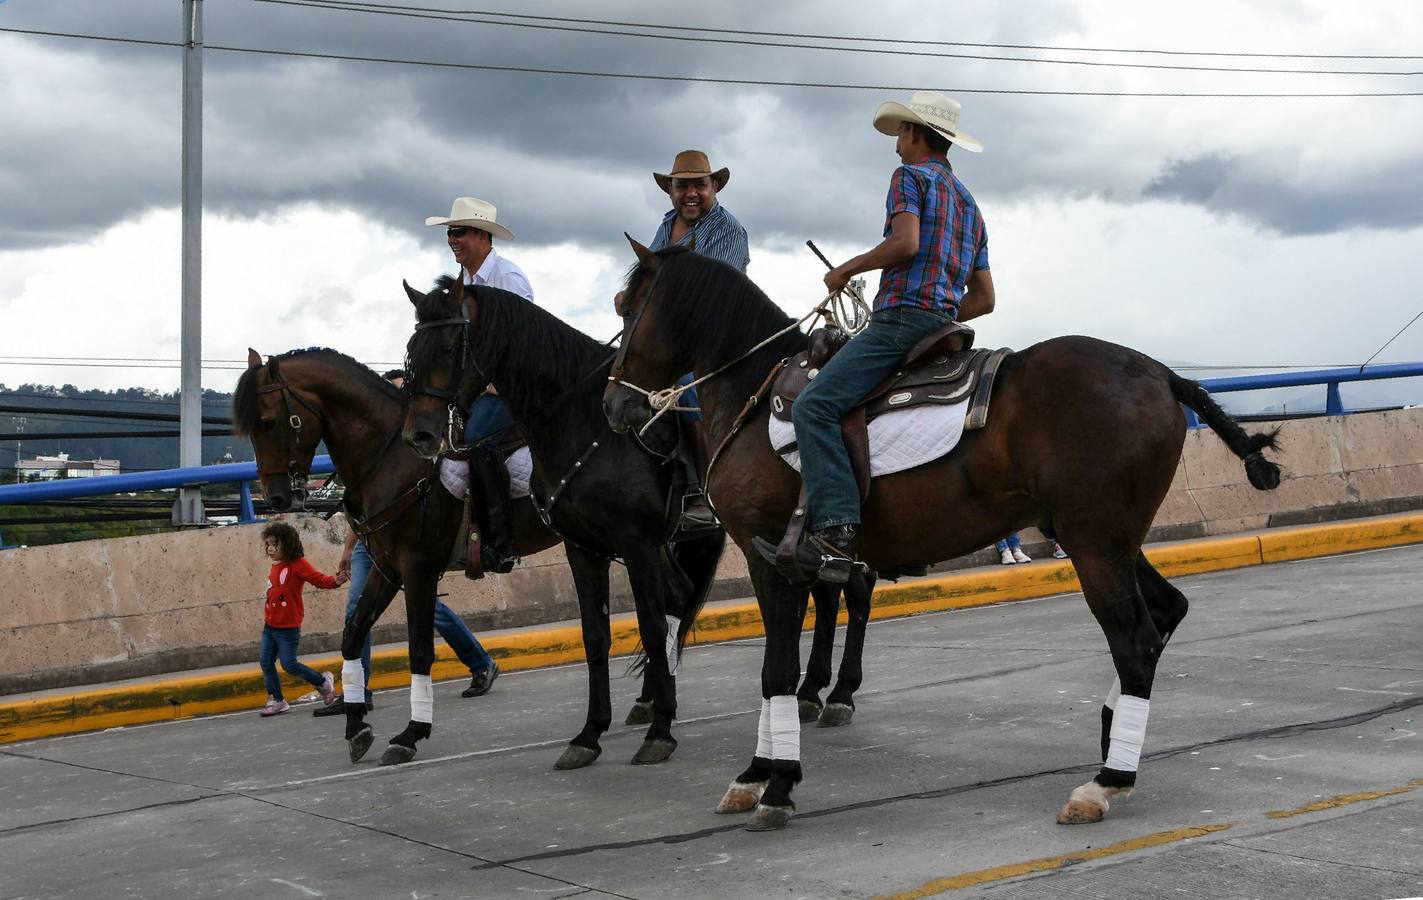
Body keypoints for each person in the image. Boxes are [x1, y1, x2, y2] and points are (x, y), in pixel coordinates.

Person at [754, 91, 995, 584]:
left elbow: (905, 243)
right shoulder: (971, 207)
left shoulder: (909, 178)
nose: (897, 145)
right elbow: (986, 298)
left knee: (814, 407)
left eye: (901, 134)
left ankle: (836, 532)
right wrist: (943, 307)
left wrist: (846, 269)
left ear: (915, 133)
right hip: (944, 328)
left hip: (900, 322)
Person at [315, 369, 500, 716]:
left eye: (402, 394)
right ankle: (358, 691)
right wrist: (349, 548)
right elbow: (364, 508)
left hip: (405, 541)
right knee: (358, 613)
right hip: (372, 543)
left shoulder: (417, 444)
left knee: (431, 611)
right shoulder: (374, 451)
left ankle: (481, 662)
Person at [627, 150, 749, 530]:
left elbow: (714, 292)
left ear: (714, 187)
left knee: (682, 387)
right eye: (682, 186)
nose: (691, 193)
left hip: (719, 343)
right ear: (671, 191)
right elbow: (651, 278)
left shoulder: (728, 230)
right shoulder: (667, 226)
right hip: (676, 341)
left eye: (699, 184)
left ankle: (698, 492)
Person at [426, 196, 532, 574]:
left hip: (512, 385)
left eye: (459, 232)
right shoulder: (465, 281)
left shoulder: (508, 278)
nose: (452, 239)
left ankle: (500, 544)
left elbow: (526, 338)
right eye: (450, 233)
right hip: (479, 386)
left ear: (483, 237)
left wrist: (497, 382)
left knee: (478, 437)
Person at [257, 521, 347, 716]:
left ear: (287, 544)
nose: (270, 549)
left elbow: (318, 578)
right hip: (270, 626)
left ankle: (322, 681)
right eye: (267, 545)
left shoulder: (298, 564)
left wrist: (335, 581)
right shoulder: (277, 566)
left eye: (275, 544)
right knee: (265, 662)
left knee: (289, 664)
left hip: (288, 628)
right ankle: (277, 699)